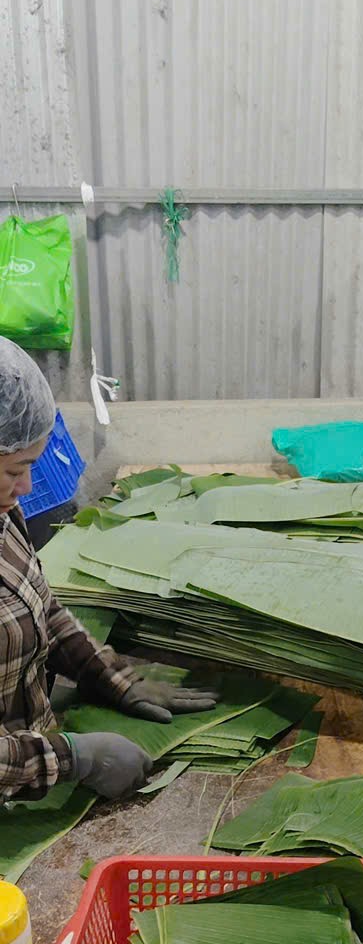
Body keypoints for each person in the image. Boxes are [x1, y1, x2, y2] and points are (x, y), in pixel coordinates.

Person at [0, 338, 218, 803]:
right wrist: (72, 759)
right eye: (15, 469)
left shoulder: (4, 514)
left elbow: (42, 607)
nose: (28, 486)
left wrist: (113, 679)